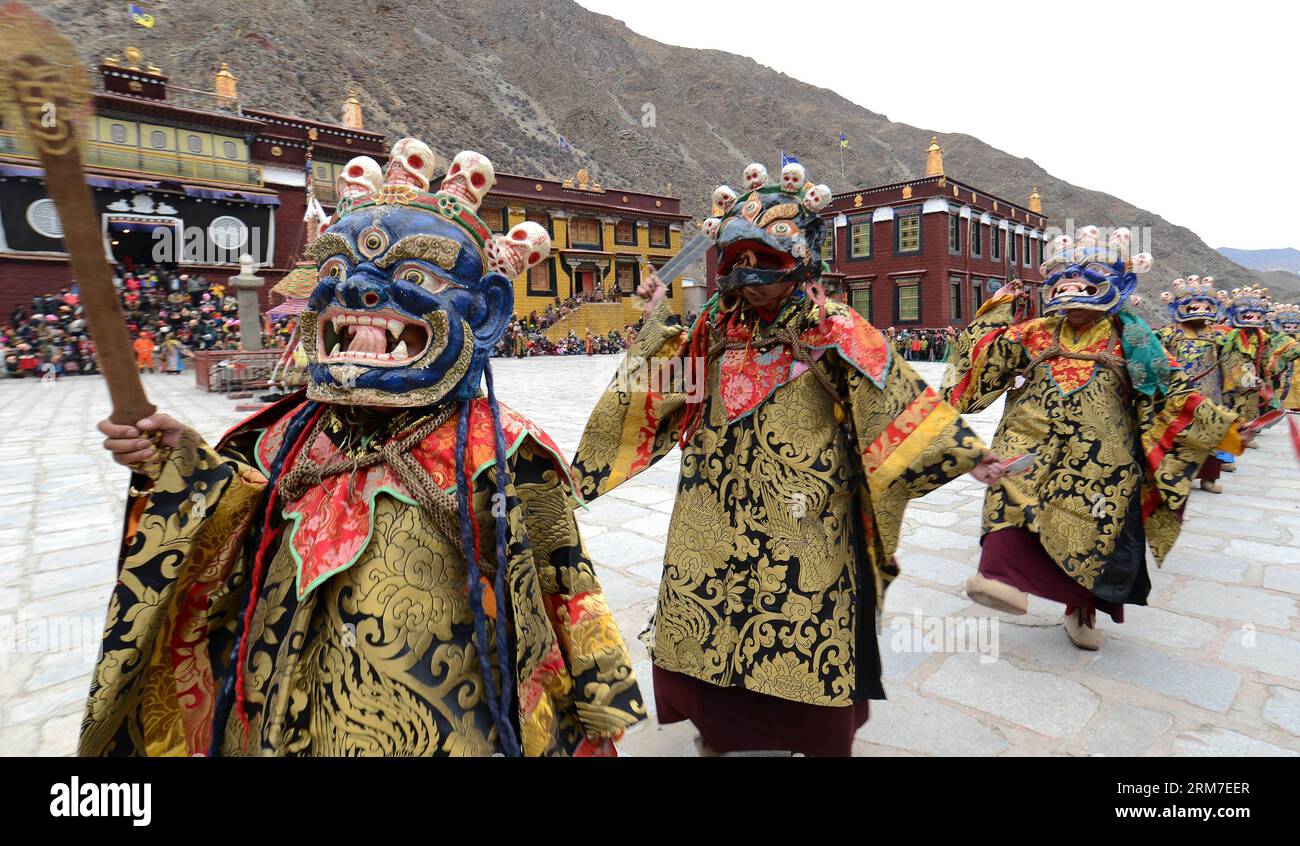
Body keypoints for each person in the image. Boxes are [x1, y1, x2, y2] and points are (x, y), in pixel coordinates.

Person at [83, 139, 644, 757]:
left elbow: (564, 581)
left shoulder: (505, 452)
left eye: (413, 276)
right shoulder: (278, 437)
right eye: (335, 273)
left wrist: (599, 696)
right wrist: (176, 462)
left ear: (485, 313)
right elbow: (233, 526)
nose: (359, 291)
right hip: (276, 710)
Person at [570, 161, 1005, 757]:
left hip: (806, 514)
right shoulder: (714, 329)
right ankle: (719, 728)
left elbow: (896, 398)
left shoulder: (836, 329)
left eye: (765, 265)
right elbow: (659, 392)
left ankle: (807, 732)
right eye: (738, 267)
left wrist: (966, 454)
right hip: (713, 508)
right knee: (711, 613)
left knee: (802, 614)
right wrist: (655, 326)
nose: (751, 282)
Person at [942, 227, 1249, 651]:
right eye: (1063, 278)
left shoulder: (1135, 339)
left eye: (1087, 278)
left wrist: (1225, 429)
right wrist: (999, 308)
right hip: (1030, 439)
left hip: (1102, 454)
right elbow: (982, 358)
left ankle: (1080, 609)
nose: (1072, 288)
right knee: (1009, 491)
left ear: (1118, 284)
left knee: (1093, 528)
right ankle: (999, 578)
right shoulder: (1035, 332)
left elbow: (1171, 392)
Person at [1154, 276, 1233, 493]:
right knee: (1176, 432)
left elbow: (1227, 361)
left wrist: (1230, 386)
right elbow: (1159, 359)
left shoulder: (1218, 335)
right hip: (1178, 392)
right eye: (1194, 305)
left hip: (1210, 393)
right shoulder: (1169, 332)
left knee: (1210, 432)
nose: (1200, 309)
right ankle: (1171, 476)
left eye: (1206, 305)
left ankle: (1208, 477)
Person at [1268, 302, 1300, 410]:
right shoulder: (1278, 338)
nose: (1291, 329)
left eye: (1294, 326)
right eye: (1287, 326)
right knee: (1282, 384)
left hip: (1295, 367)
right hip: (1281, 366)